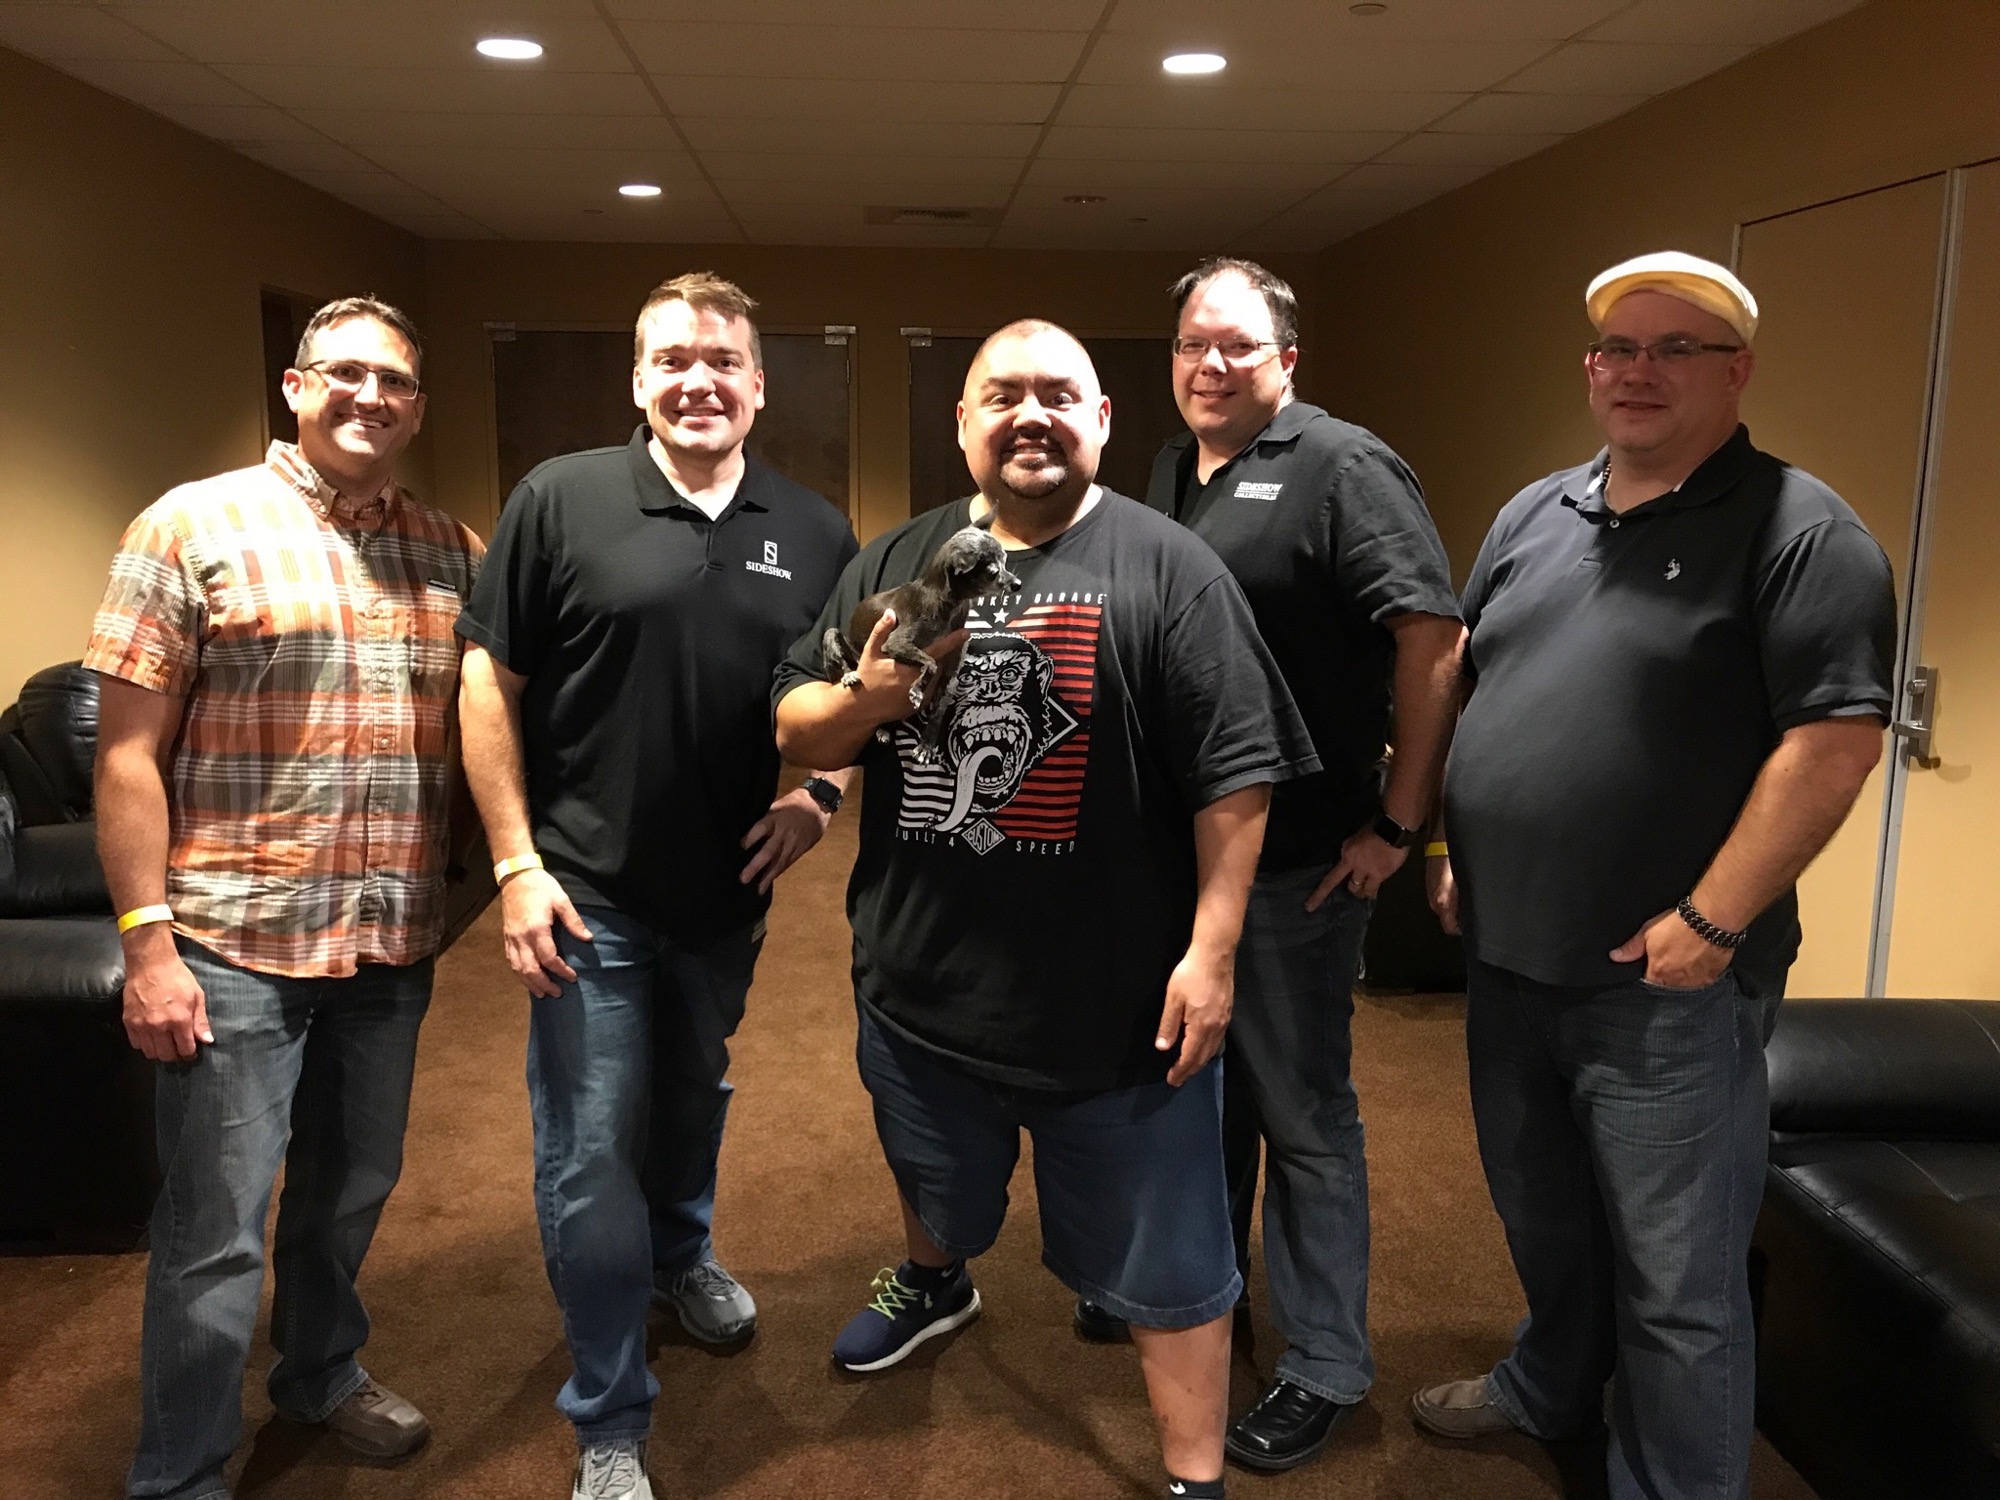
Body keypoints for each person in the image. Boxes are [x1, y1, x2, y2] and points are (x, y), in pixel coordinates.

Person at [773, 319, 1318, 1500]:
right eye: (1002, 394)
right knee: (934, 1178)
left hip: (1116, 1014)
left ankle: (1192, 1479)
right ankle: (934, 1281)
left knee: (1172, 1266)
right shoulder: (897, 559)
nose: (1030, 415)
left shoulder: (1172, 567)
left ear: (1102, 420)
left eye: (1059, 395)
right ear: (962, 422)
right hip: (917, 991)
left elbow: (1236, 776)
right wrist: (871, 695)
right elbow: (798, 724)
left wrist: (1213, 951)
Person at [1413, 252, 1897, 1500]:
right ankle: (1548, 1383)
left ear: (1735, 372)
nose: (1638, 372)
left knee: (1677, 1283)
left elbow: (1832, 744)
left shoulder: (1800, 533)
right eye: (1616, 349)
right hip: (1509, 961)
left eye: (1675, 348)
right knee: (1542, 1219)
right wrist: (1452, 848)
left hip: (1664, 985)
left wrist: (1709, 921)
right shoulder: (1534, 514)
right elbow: (1472, 686)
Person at [456, 272, 857, 1500]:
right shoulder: (558, 498)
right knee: (590, 1149)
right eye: (672, 359)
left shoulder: (816, 529)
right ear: (638, 380)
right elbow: (487, 685)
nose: (697, 381)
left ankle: (681, 1258)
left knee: (690, 1097)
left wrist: (819, 797)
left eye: (721, 360)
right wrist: (515, 864)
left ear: (757, 386)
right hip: (584, 893)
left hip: (726, 897)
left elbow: (857, 697)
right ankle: (610, 1419)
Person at [89, 297, 481, 1500]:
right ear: (297, 386)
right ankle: (180, 1472)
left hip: (388, 944)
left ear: (418, 406)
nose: (372, 396)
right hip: (232, 947)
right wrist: (147, 949)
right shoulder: (190, 526)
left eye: (395, 381)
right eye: (345, 373)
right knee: (214, 1233)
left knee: (349, 1193)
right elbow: (125, 758)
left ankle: (319, 1371)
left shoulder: (452, 552)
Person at [1092, 256, 1462, 1472]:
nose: (1209, 365)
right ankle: (1209, 1292)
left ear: (1286, 359)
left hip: (1299, 861)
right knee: (1201, 1090)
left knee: (1303, 1114)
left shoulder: (1343, 468)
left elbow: (1431, 638)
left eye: (1236, 346)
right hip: (1183, 859)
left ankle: (1324, 1364)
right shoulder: (1169, 466)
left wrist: (1398, 825)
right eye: (1190, 344)